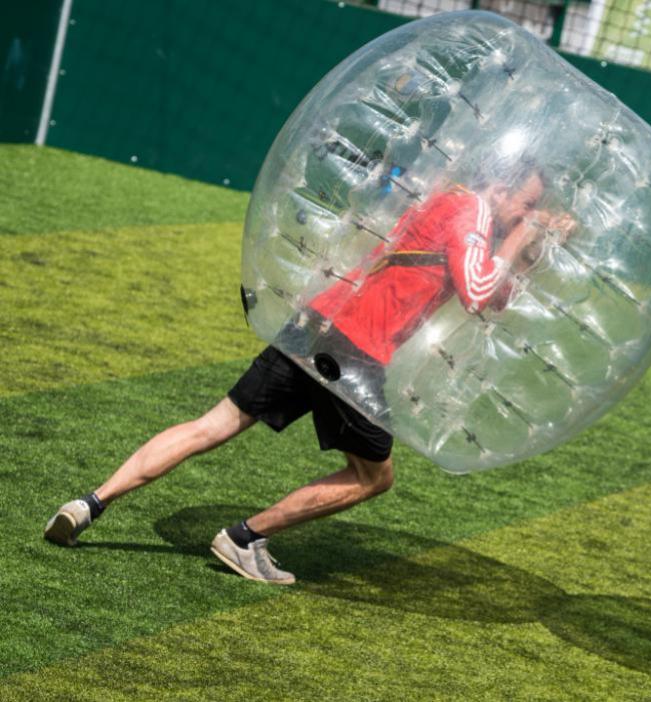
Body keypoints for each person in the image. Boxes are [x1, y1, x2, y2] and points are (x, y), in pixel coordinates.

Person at [44, 161, 573, 586]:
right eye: (524, 204)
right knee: (374, 477)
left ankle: (88, 504)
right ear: (501, 187)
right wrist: (523, 232)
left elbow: (492, 292)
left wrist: (526, 246)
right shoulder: (474, 212)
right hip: (355, 350)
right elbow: (479, 294)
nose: (525, 214)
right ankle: (245, 538)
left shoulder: (448, 196)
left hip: (315, 322)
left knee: (212, 425)